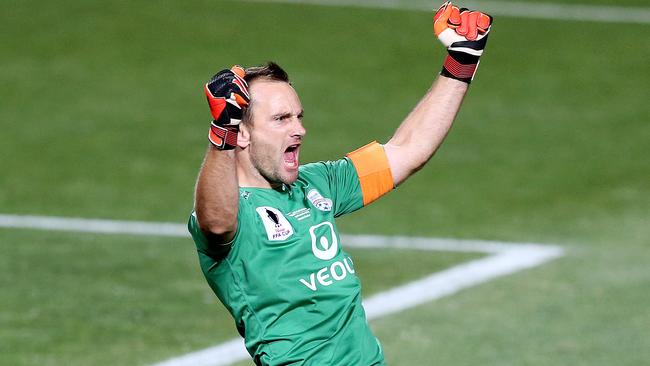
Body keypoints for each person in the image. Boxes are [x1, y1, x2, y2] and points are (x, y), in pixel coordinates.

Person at [188, 2, 493, 364]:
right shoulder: (233, 213)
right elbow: (217, 221)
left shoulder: (317, 183)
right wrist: (220, 134)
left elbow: (407, 151)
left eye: (299, 116)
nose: (299, 129)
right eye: (281, 119)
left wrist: (462, 60)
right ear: (242, 135)